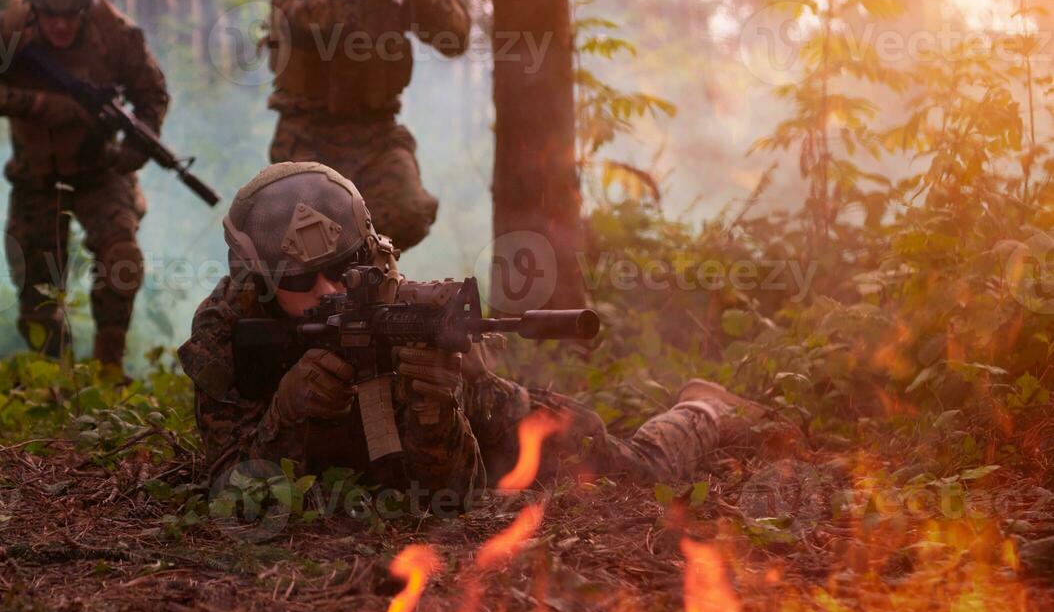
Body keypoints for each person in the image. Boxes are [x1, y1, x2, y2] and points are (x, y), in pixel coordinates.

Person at [179, 163, 774, 506]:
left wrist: (436, 407)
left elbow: (455, 498)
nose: (331, 292)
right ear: (258, 279)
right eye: (302, 279)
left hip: (481, 416)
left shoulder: (408, 312)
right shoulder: (229, 334)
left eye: (344, 267)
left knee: (638, 474)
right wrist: (288, 411)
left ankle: (703, 409)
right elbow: (230, 491)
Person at [0, 0, 169, 374]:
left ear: (86, 7)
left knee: (122, 259)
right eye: (51, 16)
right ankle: (54, 380)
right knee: (37, 291)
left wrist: (141, 142)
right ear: (34, 7)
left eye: (71, 16)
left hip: (101, 171)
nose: (62, 25)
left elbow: (152, 92)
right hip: (36, 176)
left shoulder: (116, 34)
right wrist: (40, 105)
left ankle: (107, 370)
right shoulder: (9, 31)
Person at [266, 0, 470, 255]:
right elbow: (295, 15)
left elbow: (455, 38)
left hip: (376, 130)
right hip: (309, 130)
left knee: (408, 214)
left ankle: (366, 287)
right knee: (303, 249)